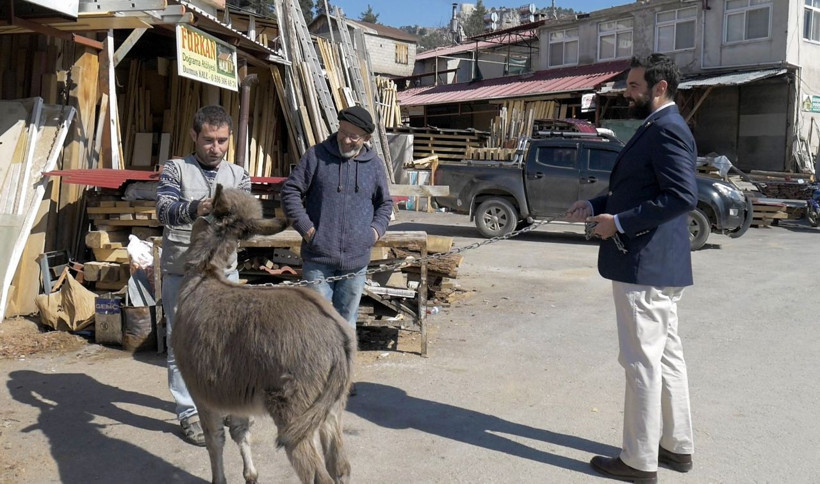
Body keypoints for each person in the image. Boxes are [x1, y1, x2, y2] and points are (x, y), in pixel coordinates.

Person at [566, 53, 697, 483]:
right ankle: (676, 448)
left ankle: (639, 460)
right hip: (657, 266)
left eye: (634, 86)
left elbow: (681, 197)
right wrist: (598, 205)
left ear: (659, 89)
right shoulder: (655, 127)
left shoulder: (667, 129)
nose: (627, 92)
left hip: (645, 266)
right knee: (668, 358)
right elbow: (636, 189)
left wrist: (618, 223)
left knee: (642, 363)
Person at [156, 105, 251, 446]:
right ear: (195, 136)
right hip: (182, 274)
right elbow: (164, 210)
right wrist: (195, 208)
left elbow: (248, 221)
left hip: (224, 275)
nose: (216, 147)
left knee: (226, 342)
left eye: (222, 141)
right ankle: (188, 411)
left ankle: (221, 402)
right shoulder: (176, 170)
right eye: (208, 140)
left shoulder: (239, 174)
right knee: (180, 345)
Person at [280, 106, 393, 332]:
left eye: (354, 136)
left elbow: (385, 204)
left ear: (367, 138)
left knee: (346, 324)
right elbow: (290, 191)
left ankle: (341, 367)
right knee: (316, 324)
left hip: (356, 261)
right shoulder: (316, 156)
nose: (346, 139)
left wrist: (372, 233)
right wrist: (308, 230)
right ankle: (315, 368)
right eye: (343, 131)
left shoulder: (374, 165)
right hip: (318, 258)